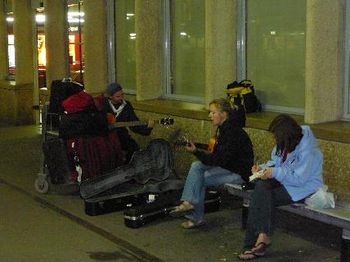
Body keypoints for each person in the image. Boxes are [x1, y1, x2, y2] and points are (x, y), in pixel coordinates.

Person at [237, 114, 324, 260]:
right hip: (286, 183)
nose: (275, 140)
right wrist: (262, 169)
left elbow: (300, 179)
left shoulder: (308, 150)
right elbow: (276, 162)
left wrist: (274, 172)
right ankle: (261, 238)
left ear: (286, 135)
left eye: (276, 137)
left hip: (304, 188)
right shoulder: (285, 143)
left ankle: (255, 242)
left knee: (260, 193)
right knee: (261, 188)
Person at [170, 98, 254, 229]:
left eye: (213, 112)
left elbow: (219, 159)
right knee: (196, 167)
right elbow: (218, 151)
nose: (210, 115)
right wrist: (196, 147)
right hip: (228, 167)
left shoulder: (232, 132)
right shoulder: (225, 129)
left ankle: (193, 214)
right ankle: (189, 203)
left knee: (199, 178)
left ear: (224, 114)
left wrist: (196, 152)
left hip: (239, 173)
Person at [94, 82, 155, 163]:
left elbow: (134, 123)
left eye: (122, 95)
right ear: (110, 97)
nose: (121, 98)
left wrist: (148, 128)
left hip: (121, 135)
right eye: (118, 96)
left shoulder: (126, 106)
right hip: (105, 136)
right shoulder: (102, 105)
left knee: (134, 149)